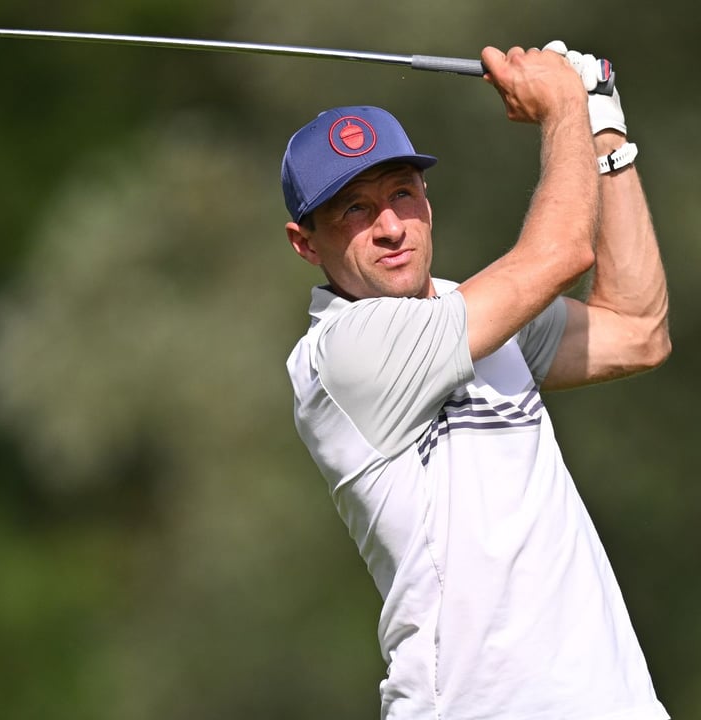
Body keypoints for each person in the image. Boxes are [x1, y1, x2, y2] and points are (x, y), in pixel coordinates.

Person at [282, 40, 671, 720]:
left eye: (402, 194)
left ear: (427, 198)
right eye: (354, 209)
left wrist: (603, 123)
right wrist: (562, 111)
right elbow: (559, 254)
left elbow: (638, 329)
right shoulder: (340, 355)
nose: (391, 227)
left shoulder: (478, 315)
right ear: (306, 243)